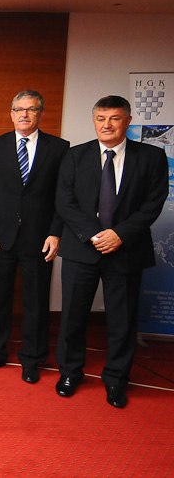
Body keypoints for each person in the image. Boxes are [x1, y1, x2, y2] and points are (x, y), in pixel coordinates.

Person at [55, 95, 167, 408]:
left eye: (114, 118)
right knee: (73, 317)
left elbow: (153, 203)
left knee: (122, 320)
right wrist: (94, 234)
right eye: (101, 119)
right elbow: (64, 201)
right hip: (82, 249)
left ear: (127, 121)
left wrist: (119, 234)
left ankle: (117, 379)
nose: (107, 125)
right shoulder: (75, 156)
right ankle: (70, 372)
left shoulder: (151, 157)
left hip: (126, 250)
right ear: (94, 122)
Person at [0, 90, 70, 384]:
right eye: (19, 109)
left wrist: (55, 232)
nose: (24, 115)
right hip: (0, 236)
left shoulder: (59, 148)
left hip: (40, 237)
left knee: (36, 300)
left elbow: (64, 196)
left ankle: (32, 358)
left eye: (31, 109)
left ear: (41, 114)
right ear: (12, 113)